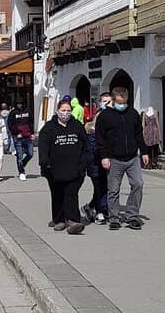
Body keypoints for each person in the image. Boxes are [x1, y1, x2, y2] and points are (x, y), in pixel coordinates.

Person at [96, 85, 150, 230]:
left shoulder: (132, 113)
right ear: (113, 100)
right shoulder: (104, 116)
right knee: (113, 189)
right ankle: (114, 218)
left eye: (124, 102)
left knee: (138, 184)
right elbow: (100, 139)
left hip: (132, 157)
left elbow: (139, 134)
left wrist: (144, 152)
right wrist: (104, 157)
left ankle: (132, 215)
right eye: (119, 102)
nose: (122, 105)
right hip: (114, 158)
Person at [38, 98, 88, 234]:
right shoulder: (49, 128)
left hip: (75, 169)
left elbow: (85, 146)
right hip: (54, 169)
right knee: (58, 194)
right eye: (63, 110)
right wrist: (44, 162)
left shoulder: (77, 126)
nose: (66, 113)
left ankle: (73, 221)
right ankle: (59, 220)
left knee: (71, 194)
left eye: (68, 111)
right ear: (57, 111)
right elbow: (43, 147)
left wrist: (84, 164)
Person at [83, 93, 112, 223]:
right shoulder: (91, 128)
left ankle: (90, 207)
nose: (107, 103)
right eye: (104, 101)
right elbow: (92, 147)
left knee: (103, 187)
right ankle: (101, 211)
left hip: (108, 161)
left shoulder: (113, 120)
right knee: (100, 187)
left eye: (109, 101)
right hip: (95, 161)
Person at [7, 103, 34, 181]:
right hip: (18, 137)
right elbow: (10, 124)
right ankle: (21, 172)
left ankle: (22, 164)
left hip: (28, 136)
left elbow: (31, 122)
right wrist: (16, 133)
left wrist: (32, 133)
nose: (19, 105)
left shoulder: (28, 111)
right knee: (19, 155)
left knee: (30, 154)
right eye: (18, 104)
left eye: (20, 104)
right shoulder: (13, 112)